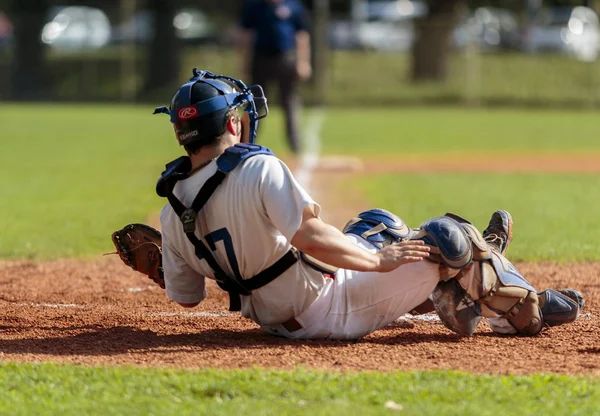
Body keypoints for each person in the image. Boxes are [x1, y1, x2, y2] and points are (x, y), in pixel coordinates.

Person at [148, 69, 583, 340]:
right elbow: (310, 236)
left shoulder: (173, 207)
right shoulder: (256, 168)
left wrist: (169, 265)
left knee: (380, 225)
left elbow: (187, 299)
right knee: (450, 237)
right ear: (232, 122)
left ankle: (463, 289)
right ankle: (520, 310)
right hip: (327, 310)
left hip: (275, 316)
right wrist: (381, 262)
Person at [237, 0, 311, 154]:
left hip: (285, 57)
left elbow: (301, 35)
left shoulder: (293, 6)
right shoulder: (255, 6)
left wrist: (303, 62)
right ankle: (246, 143)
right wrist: (244, 62)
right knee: (256, 103)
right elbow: (246, 35)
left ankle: (295, 144)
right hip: (261, 58)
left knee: (289, 101)